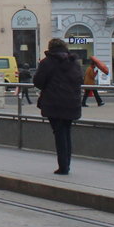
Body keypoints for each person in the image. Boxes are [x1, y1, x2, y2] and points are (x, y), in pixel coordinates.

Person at [33, 37, 84, 175]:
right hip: (71, 102)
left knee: (59, 134)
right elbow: (80, 79)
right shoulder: (74, 62)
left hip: (54, 102)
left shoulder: (47, 63)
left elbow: (38, 81)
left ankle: (63, 167)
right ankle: (66, 164)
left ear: (50, 48)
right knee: (66, 132)